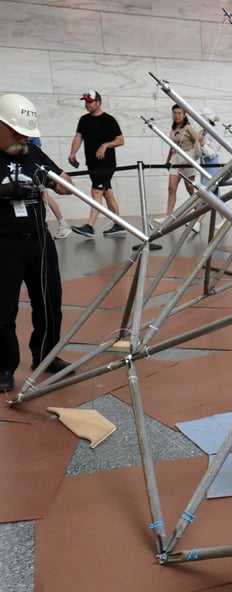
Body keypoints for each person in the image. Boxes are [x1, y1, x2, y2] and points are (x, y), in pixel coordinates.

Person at [0, 94, 75, 392]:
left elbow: (66, 184)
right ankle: (4, 367)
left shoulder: (33, 153)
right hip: (4, 244)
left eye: (26, 135)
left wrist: (53, 181)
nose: (22, 139)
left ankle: (46, 355)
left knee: (49, 302)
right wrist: (4, 190)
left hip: (40, 242)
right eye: (17, 133)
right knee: (3, 310)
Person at [68, 90, 125, 237]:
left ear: (98, 102)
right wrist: (73, 153)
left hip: (106, 164)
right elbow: (78, 136)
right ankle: (119, 225)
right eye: (86, 102)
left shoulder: (109, 120)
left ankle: (90, 226)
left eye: (90, 102)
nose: (87, 104)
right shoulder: (84, 120)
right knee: (107, 193)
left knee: (96, 191)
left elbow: (120, 140)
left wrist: (105, 145)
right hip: (92, 163)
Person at [27, 137, 71, 238]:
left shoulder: (32, 141)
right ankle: (63, 224)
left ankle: (63, 224)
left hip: (35, 172)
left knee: (45, 196)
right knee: (45, 197)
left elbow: (37, 152)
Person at [164, 104, 199, 217]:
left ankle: (198, 213)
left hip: (187, 159)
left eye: (179, 113)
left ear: (184, 115)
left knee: (190, 190)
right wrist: (168, 160)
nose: (177, 115)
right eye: (175, 113)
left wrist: (190, 160)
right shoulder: (174, 128)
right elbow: (172, 145)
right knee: (171, 188)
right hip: (176, 158)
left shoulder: (188, 128)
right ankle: (168, 215)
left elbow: (198, 142)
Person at [197, 108, 222, 188]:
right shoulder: (201, 132)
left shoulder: (214, 133)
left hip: (211, 165)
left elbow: (212, 154)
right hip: (203, 164)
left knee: (209, 188)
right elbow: (196, 151)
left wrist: (202, 143)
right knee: (205, 188)